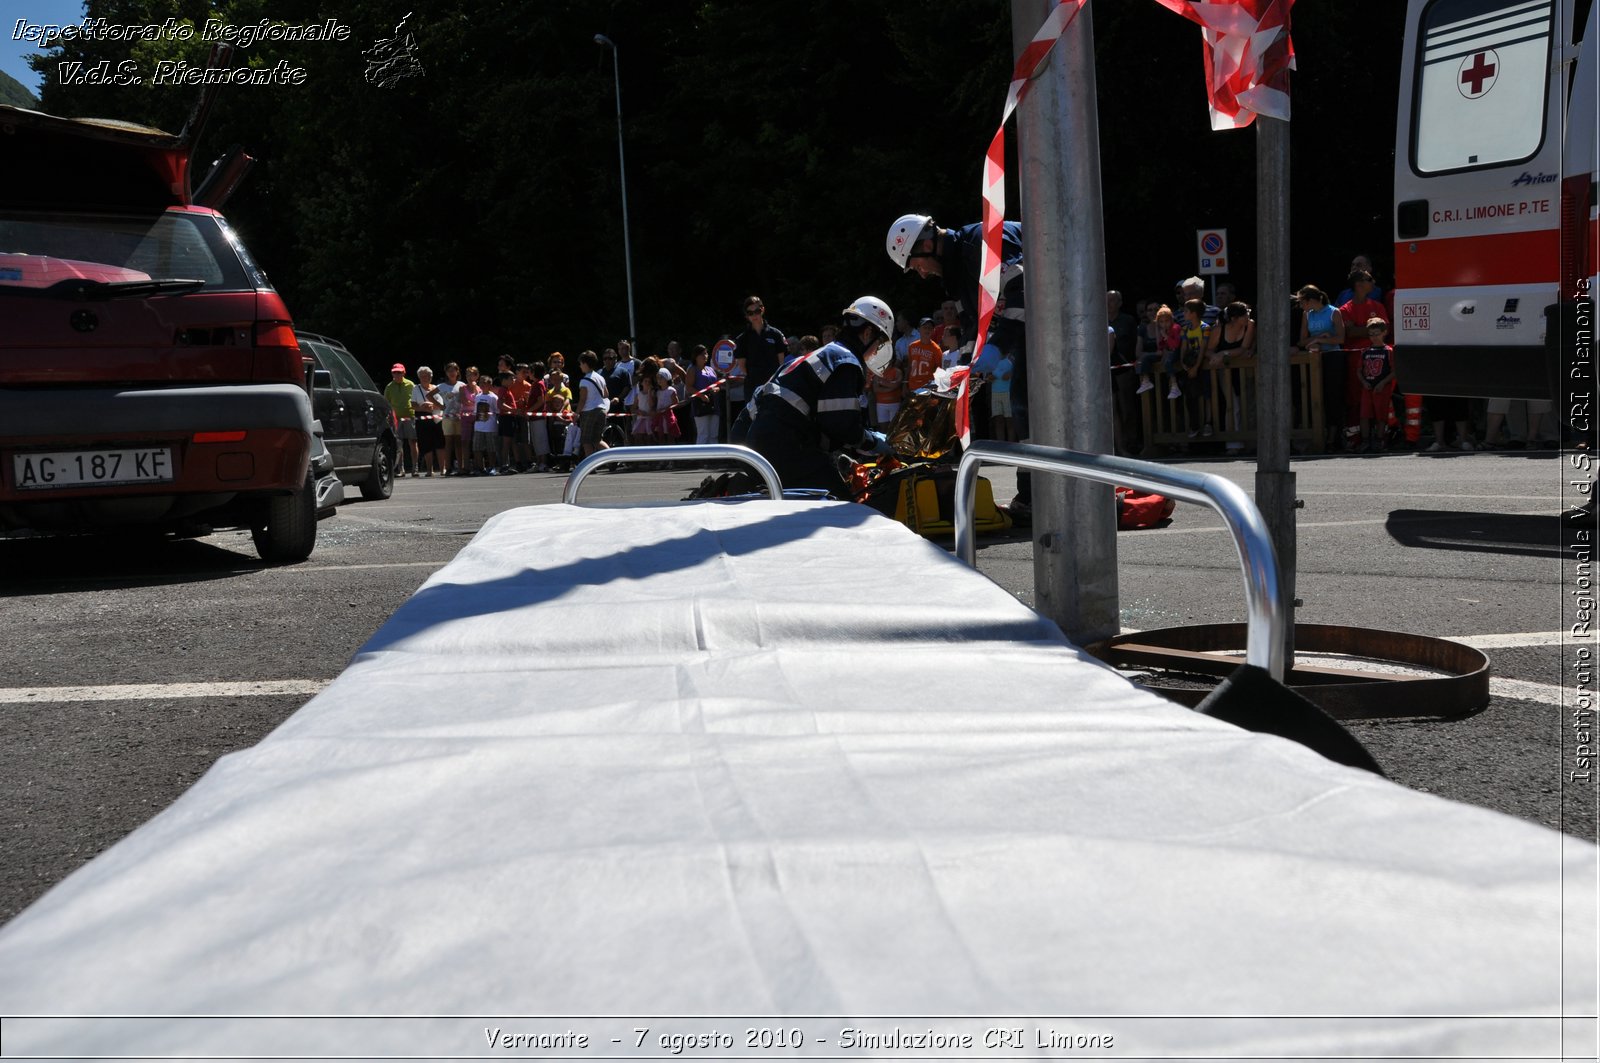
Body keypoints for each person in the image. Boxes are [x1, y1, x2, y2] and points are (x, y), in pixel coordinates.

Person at [886, 213, 1031, 520]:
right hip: (1031, 334)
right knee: (1025, 407)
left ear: (927, 245)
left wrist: (994, 351)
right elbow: (971, 325)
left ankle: (1041, 495)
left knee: (1024, 405)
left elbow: (1022, 295)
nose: (922, 274)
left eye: (917, 265)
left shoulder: (982, 242)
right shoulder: (957, 271)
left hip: (1056, 319)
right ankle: (1035, 495)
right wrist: (960, 371)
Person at [744, 295, 897, 497]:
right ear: (868, 333)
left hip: (765, 437)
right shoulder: (847, 362)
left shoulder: (826, 354)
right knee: (840, 503)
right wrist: (874, 443)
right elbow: (841, 424)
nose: (875, 354)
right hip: (787, 442)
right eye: (878, 346)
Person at [1297, 285, 1347, 451]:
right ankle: (1319, 434)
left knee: (1333, 396)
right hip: (1314, 359)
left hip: (1332, 357)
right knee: (1317, 397)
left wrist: (1323, 340)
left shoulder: (1334, 312)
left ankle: (1333, 437)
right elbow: (1302, 341)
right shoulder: (1307, 315)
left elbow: (1340, 338)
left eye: (1302, 302)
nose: (1301, 306)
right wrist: (1319, 337)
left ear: (1311, 300)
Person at [1206, 302, 1255, 453]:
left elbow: (1243, 347)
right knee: (1232, 404)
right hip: (1224, 370)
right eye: (1244, 314)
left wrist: (1224, 354)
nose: (1248, 316)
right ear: (1234, 318)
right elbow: (1208, 350)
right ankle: (1233, 444)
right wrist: (1216, 356)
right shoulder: (1219, 329)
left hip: (1243, 369)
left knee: (1249, 403)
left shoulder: (1250, 325)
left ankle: (1251, 443)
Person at [1107, 290, 1141, 456]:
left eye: (1112, 301)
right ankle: (1115, 445)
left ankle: (1131, 443)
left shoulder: (1128, 321)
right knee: (1113, 411)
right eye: (1106, 301)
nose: (1108, 304)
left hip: (1124, 369)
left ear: (1119, 303)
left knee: (1127, 408)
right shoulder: (1100, 321)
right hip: (1106, 373)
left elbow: (1136, 343)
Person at [732, 295, 787, 395]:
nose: (754, 315)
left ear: (762, 310)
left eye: (757, 311)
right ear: (746, 316)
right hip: (753, 386)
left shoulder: (776, 334)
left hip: (774, 384)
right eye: (750, 313)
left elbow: (781, 363)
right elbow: (742, 366)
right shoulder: (742, 339)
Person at [1355, 318, 1396, 452]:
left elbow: (1394, 371)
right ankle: (1365, 441)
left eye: (1377, 333)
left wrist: (1383, 383)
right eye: (1371, 334)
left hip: (1382, 388)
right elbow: (1359, 370)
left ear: (1384, 333)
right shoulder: (1365, 351)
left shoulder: (1388, 351)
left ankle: (1380, 440)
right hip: (1367, 388)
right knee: (1364, 415)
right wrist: (1364, 382)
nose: (1374, 337)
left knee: (1381, 416)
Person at [574, 350, 611, 459]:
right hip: (601, 411)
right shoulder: (600, 377)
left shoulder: (584, 381)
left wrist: (576, 413)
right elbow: (606, 394)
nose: (580, 366)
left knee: (586, 440)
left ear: (585, 363)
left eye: (581, 363)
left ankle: (590, 466)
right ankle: (613, 457)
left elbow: (583, 400)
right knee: (597, 440)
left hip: (589, 412)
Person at [383, 363, 417, 477]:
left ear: (404, 373)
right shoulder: (389, 386)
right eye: (395, 372)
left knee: (413, 442)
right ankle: (400, 469)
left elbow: (416, 399)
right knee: (399, 444)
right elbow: (386, 403)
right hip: (396, 419)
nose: (397, 374)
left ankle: (415, 468)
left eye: (399, 372)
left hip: (410, 416)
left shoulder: (411, 384)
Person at [411, 366, 444, 476]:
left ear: (431, 377)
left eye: (427, 376)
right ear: (419, 377)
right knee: (426, 444)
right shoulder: (416, 388)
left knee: (440, 443)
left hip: (437, 418)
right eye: (422, 376)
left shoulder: (436, 388)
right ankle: (430, 470)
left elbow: (442, 405)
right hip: (422, 418)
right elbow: (413, 405)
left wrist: (432, 406)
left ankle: (442, 468)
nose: (425, 378)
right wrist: (423, 407)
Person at [688, 344, 721, 445]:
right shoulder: (692, 369)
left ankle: (713, 458)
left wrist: (717, 389)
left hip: (714, 404)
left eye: (706, 353)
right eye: (702, 354)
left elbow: (717, 385)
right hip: (700, 405)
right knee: (703, 434)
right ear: (695, 356)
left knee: (713, 434)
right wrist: (701, 396)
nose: (705, 356)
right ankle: (701, 459)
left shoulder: (710, 369)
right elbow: (689, 387)